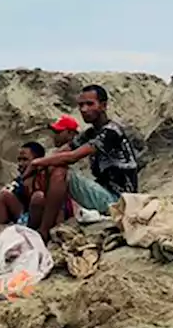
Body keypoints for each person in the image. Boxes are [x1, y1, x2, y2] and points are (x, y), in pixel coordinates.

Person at [25, 86, 139, 237]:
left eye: (90, 104)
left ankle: (44, 231)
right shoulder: (91, 133)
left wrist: (36, 163)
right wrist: (41, 165)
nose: (84, 109)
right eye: (81, 105)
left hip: (119, 202)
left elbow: (72, 156)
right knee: (52, 167)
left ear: (103, 106)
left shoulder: (111, 132)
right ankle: (44, 225)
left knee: (61, 172)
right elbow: (63, 150)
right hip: (104, 192)